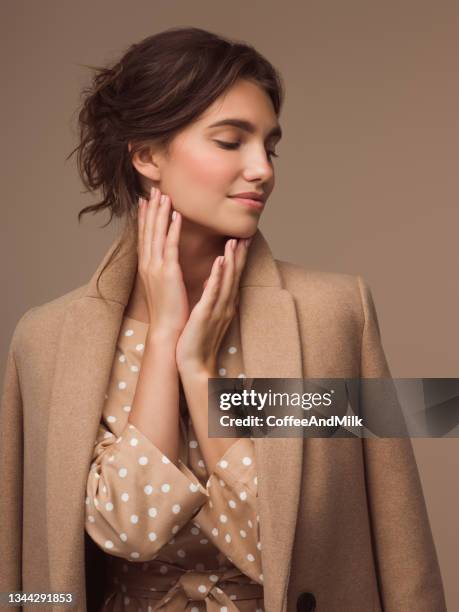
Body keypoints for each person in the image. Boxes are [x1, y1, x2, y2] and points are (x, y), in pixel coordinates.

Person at [0, 27, 447, 612]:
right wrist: (163, 339)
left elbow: (331, 543)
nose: (262, 168)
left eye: (270, 146)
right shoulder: (44, 340)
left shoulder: (333, 315)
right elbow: (113, 540)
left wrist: (199, 369)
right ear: (145, 155)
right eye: (232, 141)